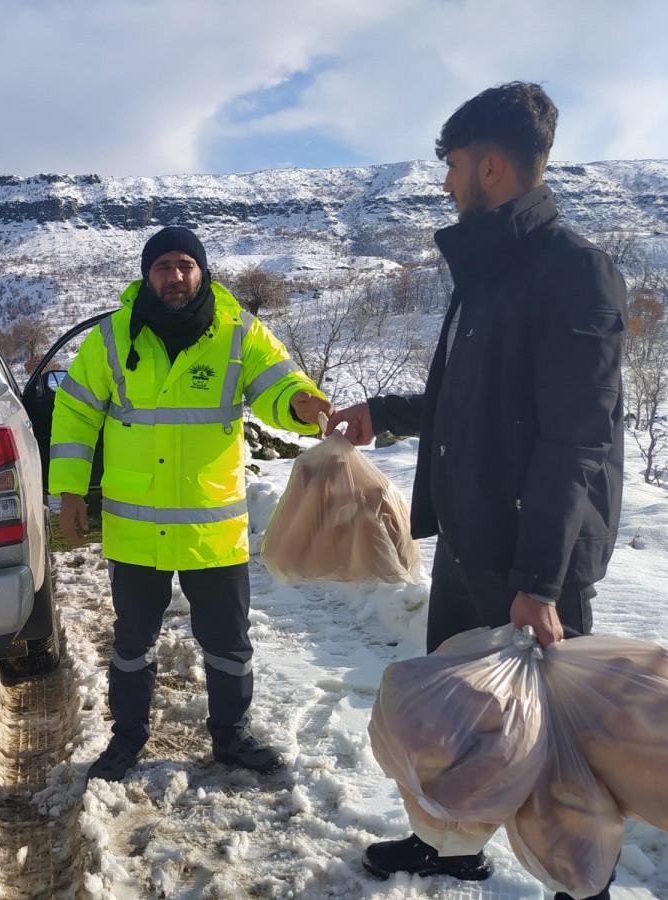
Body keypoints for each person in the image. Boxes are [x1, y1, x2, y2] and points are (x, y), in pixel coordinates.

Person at [326, 82, 626, 897]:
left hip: (534, 558)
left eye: (454, 167)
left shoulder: (575, 274)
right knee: (461, 727)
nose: (448, 184)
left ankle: (583, 887)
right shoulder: (484, 276)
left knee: (557, 760)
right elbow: (468, 397)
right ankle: (448, 848)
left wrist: (539, 583)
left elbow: (577, 440)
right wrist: (379, 414)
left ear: (491, 165)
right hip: (469, 536)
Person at [49, 226, 334, 782]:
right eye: (163, 266)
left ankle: (231, 737)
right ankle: (126, 739)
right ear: (146, 274)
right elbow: (75, 415)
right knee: (132, 642)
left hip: (212, 526)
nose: (175, 276)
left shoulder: (238, 333)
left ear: (201, 271)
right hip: (135, 527)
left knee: (229, 641)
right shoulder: (111, 339)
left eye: (184, 265)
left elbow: (277, 382)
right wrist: (68, 491)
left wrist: (299, 404)